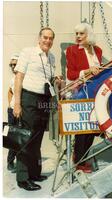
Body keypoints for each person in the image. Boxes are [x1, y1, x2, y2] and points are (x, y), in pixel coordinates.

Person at [13, 27, 62, 191]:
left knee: (37, 138)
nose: (48, 41)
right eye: (45, 37)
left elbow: (48, 79)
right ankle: (23, 178)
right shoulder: (28, 52)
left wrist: (56, 79)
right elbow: (19, 77)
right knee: (25, 138)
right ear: (39, 38)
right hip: (29, 98)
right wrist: (17, 103)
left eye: (50, 38)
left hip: (44, 100)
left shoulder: (52, 57)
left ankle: (34, 173)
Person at [66, 23, 103, 173]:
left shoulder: (98, 50)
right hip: (80, 92)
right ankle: (78, 160)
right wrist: (88, 71)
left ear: (89, 35)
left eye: (81, 34)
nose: (78, 37)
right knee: (82, 128)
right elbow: (71, 75)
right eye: (77, 34)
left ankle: (83, 157)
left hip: (96, 92)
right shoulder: (72, 50)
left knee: (93, 127)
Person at [7, 53, 19, 173]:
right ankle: (10, 162)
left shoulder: (24, 77)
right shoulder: (12, 79)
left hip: (21, 111)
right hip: (11, 111)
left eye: (14, 64)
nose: (12, 66)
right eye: (11, 64)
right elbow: (10, 91)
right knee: (12, 137)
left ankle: (21, 163)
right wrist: (10, 104)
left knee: (21, 137)